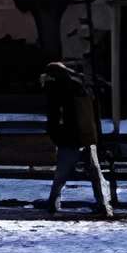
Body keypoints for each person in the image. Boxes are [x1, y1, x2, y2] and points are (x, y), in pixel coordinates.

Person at [41, 60, 109, 214]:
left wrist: (56, 135)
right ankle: (103, 204)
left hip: (69, 138)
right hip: (87, 136)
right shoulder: (80, 87)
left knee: (62, 173)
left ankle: (52, 203)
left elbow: (54, 115)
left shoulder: (57, 89)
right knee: (95, 173)